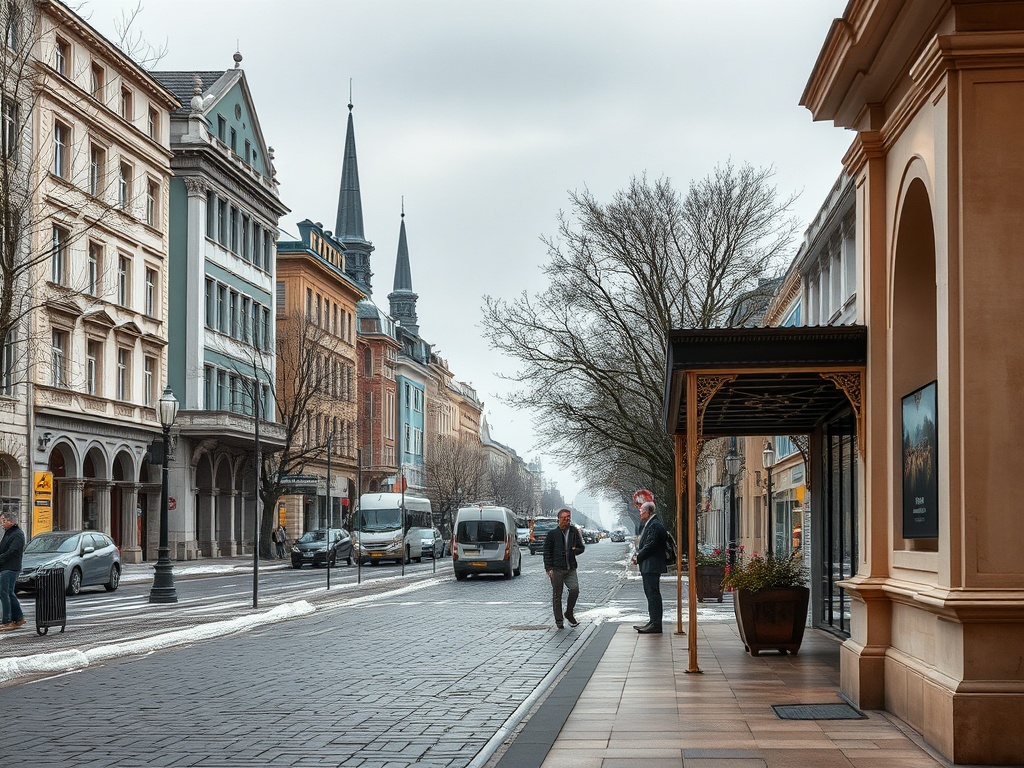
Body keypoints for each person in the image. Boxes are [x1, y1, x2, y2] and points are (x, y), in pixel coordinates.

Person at [543, 507, 586, 629]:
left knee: (574, 590)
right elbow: (547, 551)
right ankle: (559, 621)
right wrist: (548, 568)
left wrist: (574, 551)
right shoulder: (552, 534)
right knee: (557, 594)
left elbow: (581, 548)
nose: (567, 521)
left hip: (570, 567)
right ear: (559, 520)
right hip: (557, 569)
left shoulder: (573, 532)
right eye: (564, 519)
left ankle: (569, 613)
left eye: (568, 519)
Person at [631, 500, 667, 634]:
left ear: (648, 512)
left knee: (653, 595)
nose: (640, 514)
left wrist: (638, 556)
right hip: (649, 565)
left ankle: (656, 624)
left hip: (652, 565)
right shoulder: (652, 524)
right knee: (651, 594)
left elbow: (651, 545)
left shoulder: (654, 525)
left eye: (641, 512)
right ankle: (653, 621)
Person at [0, 510, 26, 631]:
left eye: (4, 521)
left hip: (11, 567)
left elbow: (12, 552)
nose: (2, 524)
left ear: (11, 521)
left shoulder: (17, 534)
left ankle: (7, 621)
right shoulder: (9, 533)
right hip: (6, 567)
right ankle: (18, 618)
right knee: (8, 593)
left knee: (5, 593)